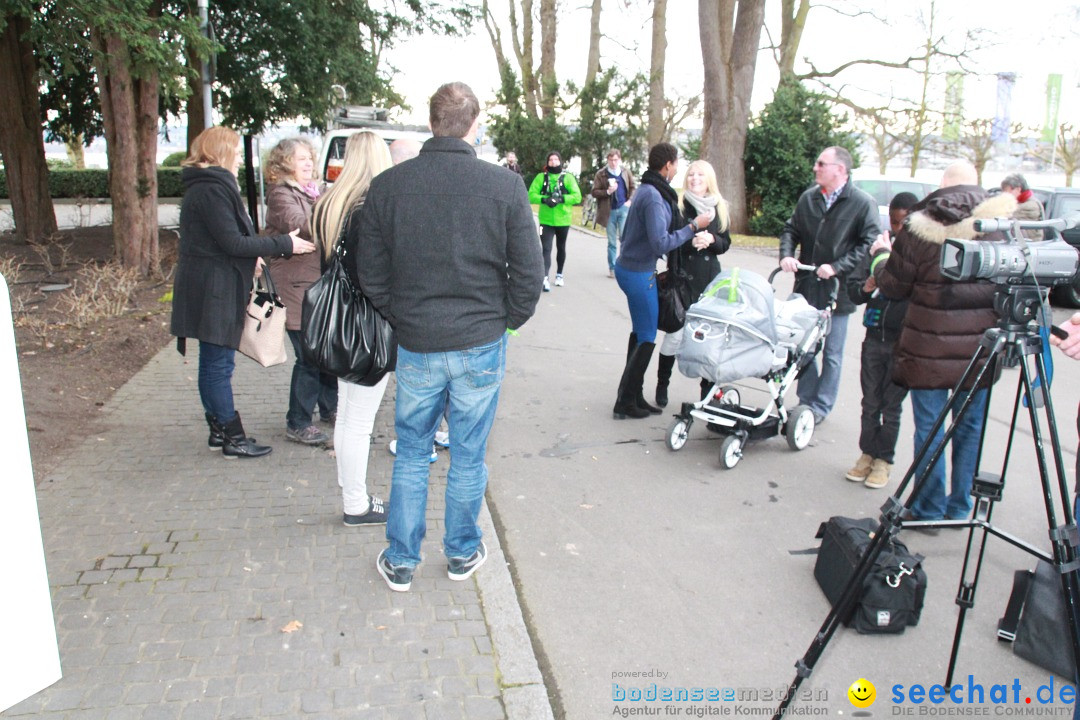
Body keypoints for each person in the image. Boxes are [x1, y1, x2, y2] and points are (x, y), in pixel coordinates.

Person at [351, 82, 543, 592]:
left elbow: (368, 268)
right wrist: (507, 320)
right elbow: (530, 270)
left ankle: (401, 560)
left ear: (432, 122)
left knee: (413, 450)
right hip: (479, 340)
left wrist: (401, 314)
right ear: (474, 126)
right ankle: (460, 554)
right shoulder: (504, 187)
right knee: (468, 452)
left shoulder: (392, 186)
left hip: (420, 340)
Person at [872, 161, 1016, 522]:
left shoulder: (920, 226)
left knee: (931, 427)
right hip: (981, 348)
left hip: (928, 349)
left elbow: (893, 286)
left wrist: (881, 257)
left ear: (942, 185)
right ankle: (960, 506)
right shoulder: (1002, 225)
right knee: (970, 427)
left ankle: (928, 506)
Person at [171, 126, 315, 458]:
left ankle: (220, 431)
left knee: (213, 363)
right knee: (218, 365)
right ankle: (232, 437)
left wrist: (252, 258)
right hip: (215, 289)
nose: (239, 158)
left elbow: (223, 241)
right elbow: (233, 242)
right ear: (219, 152)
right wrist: (285, 243)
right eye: (235, 152)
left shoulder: (207, 187)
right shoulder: (213, 190)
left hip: (212, 284)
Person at [309, 131, 395, 525]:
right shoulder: (368, 209)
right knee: (358, 421)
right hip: (366, 330)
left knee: (347, 416)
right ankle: (356, 503)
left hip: (339, 325)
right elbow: (371, 277)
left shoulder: (331, 204)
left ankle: (351, 492)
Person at [779, 146, 879, 425]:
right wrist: (787, 254)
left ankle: (821, 407)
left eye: (821, 164)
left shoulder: (861, 203)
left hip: (839, 291)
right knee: (803, 348)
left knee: (832, 353)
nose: (815, 168)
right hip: (807, 286)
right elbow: (791, 229)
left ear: (840, 169)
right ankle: (806, 402)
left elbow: (869, 242)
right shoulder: (808, 198)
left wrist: (837, 267)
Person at [612, 142, 713, 420]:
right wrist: (693, 227)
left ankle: (632, 396)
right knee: (646, 336)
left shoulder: (648, 189)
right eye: (677, 163)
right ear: (668, 164)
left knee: (640, 333)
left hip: (632, 269)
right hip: (637, 273)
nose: (678, 169)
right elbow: (660, 243)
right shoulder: (654, 196)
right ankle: (625, 402)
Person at [842, 191, 918, 489]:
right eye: (895, 222)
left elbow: (906, 290)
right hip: (874, 336)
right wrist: (866, 285)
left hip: (903, 341)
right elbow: (853, 290)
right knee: (870, 402)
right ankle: (867, 454)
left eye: (905, 223)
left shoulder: (918, 254)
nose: (898, 229)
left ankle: (884, 461)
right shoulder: (878, 247)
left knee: (891, 406)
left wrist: (884, 268)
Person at [263, 137, 335, 446]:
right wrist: (332, 204)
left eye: (310, 158)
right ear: (284, 163)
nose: (308, 163)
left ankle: (330, 409)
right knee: (309, 356)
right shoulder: (282, 195)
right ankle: (298, 421)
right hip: (295, 288)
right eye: (300, 158)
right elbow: (301, 224)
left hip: (314, 285)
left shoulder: (311, 192)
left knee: (325, 351)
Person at [654, 159, 731, 407]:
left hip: (710, 280)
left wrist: (711, 240)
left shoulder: (719, 207)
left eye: (700, 175)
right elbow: (670, 240)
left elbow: (725, 243)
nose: (695, 179)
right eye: (691, 175)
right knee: (675, 335)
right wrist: (694, 239)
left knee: (709, 339)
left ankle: (706, 395)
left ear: (709, 179)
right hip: (682, 279)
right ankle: (662, 383)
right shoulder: (679, 206)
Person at [528, 151, 582, 291]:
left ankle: (559, 274)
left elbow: (577, 197)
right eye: (550, 160)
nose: (553, 162)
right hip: (545, 220)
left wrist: (561, 199)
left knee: (561, 247)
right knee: (545, 248)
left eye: (556, 159)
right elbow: (530, 195)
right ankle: (544, 277)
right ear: (547, 162)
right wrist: (544, 199)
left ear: (560, 161)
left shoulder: (568, 178)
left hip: (563, 220)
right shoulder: (541, 177)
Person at [591, 149, 636, 279]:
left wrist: (630, 201)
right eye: (611, 160)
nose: (613, 163)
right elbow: (594, 192)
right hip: (608, 211)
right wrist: (608, 192)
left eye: (615, 160)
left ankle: (625, 266)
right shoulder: (601, 174)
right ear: (608, 160)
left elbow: (633, 187)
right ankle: (612, 268)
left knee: (625, 239)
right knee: (612, 242)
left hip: (623, 208)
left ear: (619, 160)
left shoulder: (625, 172)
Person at [1000, 173, 1044, 240]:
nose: (1004, 195)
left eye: (1007, 191)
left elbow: (1004, 215)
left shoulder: (1030, 206)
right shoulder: (1023, 201)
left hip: (1030, 245)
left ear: (1018, 189)